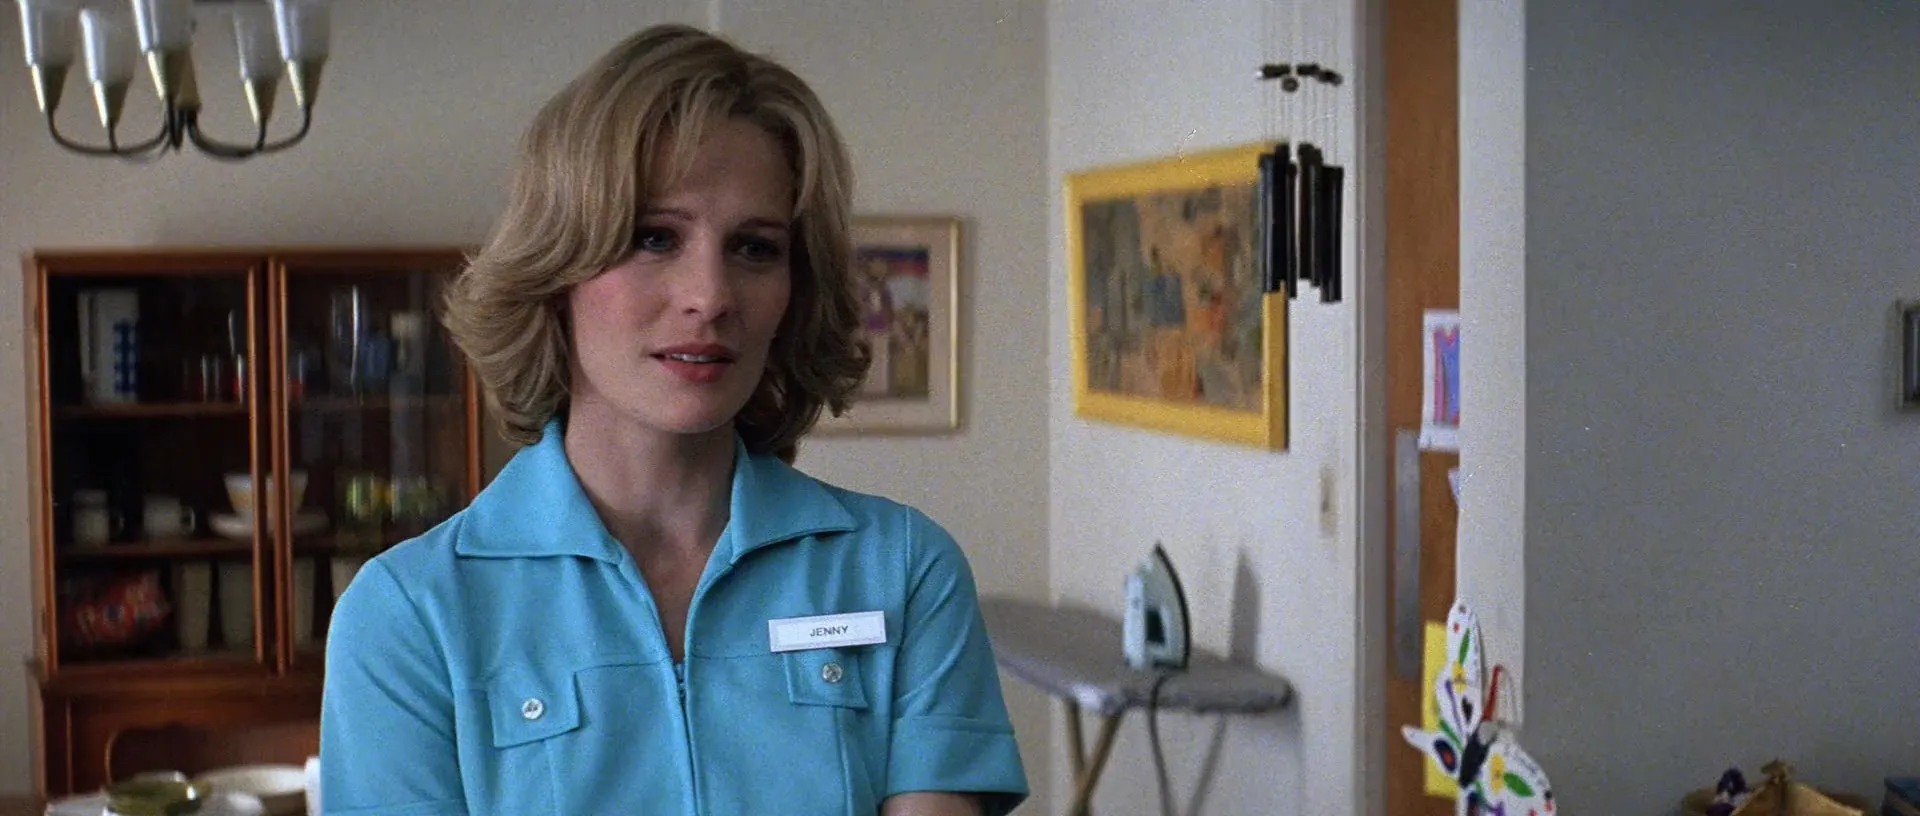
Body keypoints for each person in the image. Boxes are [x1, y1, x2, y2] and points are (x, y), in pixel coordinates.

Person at [317, 23, 1028, 816]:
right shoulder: (411, 615)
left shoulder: (902, 571)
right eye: (655, 238)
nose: (710, 295)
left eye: (754, 248)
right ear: (556, 268)